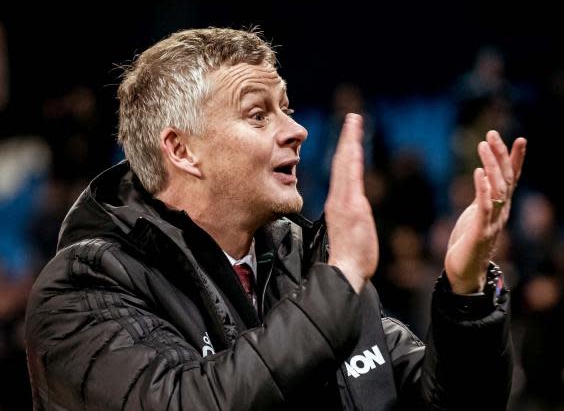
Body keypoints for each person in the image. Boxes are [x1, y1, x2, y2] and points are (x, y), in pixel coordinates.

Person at [25, 27, 527, 410]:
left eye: (285, 108)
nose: (298, 130)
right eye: (258, 114)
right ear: (182, 150)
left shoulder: (306, 263)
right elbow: (189, 401)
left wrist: (466, 295)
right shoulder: (83, 291)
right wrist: (340, 281)